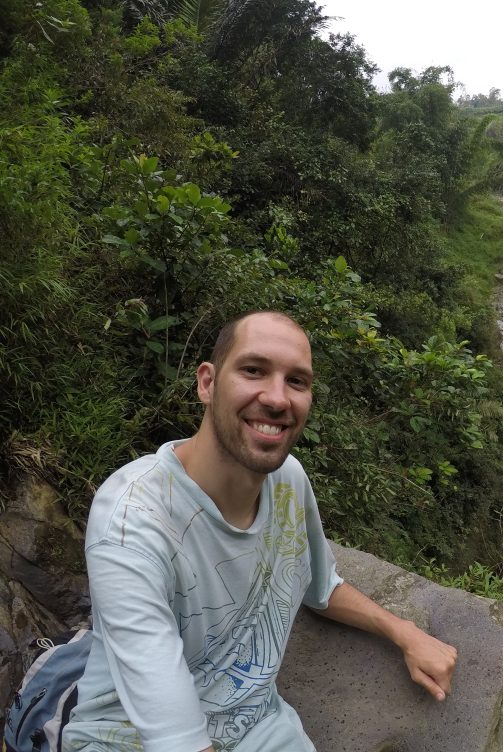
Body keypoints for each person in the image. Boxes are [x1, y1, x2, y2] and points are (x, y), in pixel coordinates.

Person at [62, 311, 458, 751]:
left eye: (297, 381)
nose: (276, 398)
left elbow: (319, 587)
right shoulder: (132, 519)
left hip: (259, 729)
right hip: (127, 740)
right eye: (254, 370)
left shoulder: (288, 479)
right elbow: (178, 742)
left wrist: (405, 632)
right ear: (207, 383)